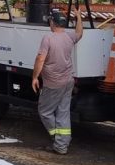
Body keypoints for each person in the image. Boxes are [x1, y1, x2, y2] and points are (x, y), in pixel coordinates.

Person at [31, 8, 83, 154]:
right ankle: (62, 145)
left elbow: (40, 58)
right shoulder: (69, 37)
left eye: (50, 21)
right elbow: (80, 33)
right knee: (63, 112)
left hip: (53, 84)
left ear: (53, 22)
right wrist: (79, 17)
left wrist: (35, 77)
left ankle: (58, 139)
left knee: (45, 111)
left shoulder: (48, 38)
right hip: (68, 81)